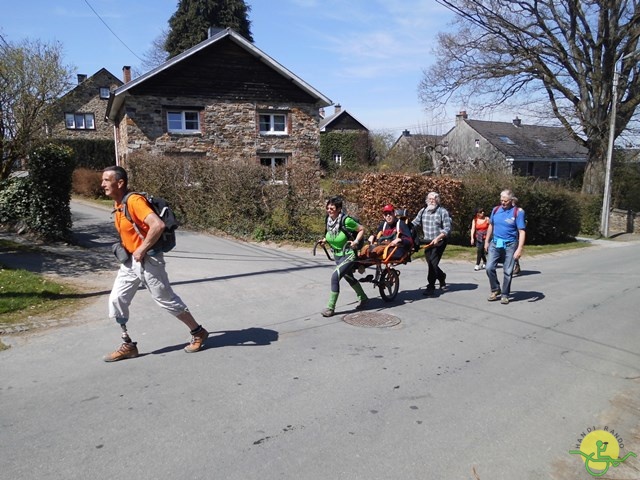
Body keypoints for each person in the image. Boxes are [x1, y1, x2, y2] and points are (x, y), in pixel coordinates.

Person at [101, 166, 208, 362]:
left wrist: (141, 249)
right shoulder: (118, 206)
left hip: (148, 260)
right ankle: (128, 344)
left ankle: (198, 331)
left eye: (107, 180)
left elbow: (157, 225)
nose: (102, 184)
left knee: (165, 300)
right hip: (130, 261)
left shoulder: (134, 201)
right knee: (117, 300)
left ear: (120, 183)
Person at [318, 197, 368, 317]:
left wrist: (355, 241)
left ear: (339, 209)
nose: (329, 210)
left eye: (332, 208)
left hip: (348, 254)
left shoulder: (346, 221)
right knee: (348, 277)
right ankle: (364, 297)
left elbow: (361, 229)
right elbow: (330, 233)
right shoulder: (329, 219)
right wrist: (325, 240)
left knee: (335, 277)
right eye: (328, 208)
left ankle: (330, 307)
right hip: (337, 255)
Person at [484, 189, 526, 305]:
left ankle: (505, 294)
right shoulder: (495, 210)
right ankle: (495, 289)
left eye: (505, 201)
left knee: (508, 271)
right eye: (501, 200)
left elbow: (521, 232)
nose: (502, 203)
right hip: (495, 243)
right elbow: (491, 226)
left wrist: (519, 249)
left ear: (511, 200)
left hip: (510, 245)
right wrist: (487, 241)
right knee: (489, 267)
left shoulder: (518, 212)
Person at [412, 192, 452, 296]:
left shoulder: (442, 212)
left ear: (438, 200)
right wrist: (403, 226)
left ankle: (431, 286)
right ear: (426, 200)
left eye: (434, 199)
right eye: (430, 199)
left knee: (433, 263)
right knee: (430, 263)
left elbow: (447, 228)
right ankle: (441, 276)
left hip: (439, 241)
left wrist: (438, 238)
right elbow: (415, 223)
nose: (432, 200)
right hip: (427, 241)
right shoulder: (423, 211)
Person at [511, 197, 523, 276]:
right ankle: (516, 266)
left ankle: (515, 266)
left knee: (512, 252)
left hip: (514, 235)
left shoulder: (519, 211)